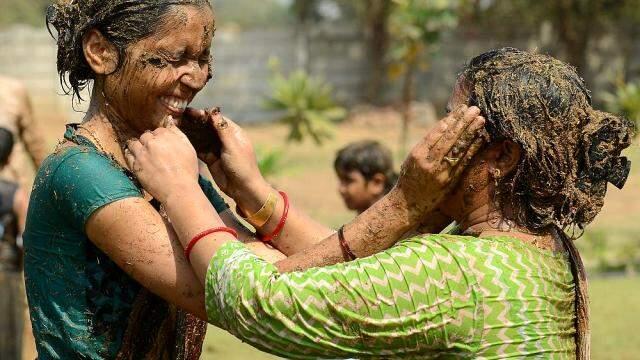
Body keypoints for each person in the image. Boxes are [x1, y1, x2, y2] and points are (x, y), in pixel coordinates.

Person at [23, 1, 479, 359]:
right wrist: (403, 206)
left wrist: (249, 190)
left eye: (202, 59)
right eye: (173, 58)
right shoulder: (80, 174)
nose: (196, 77)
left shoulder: (168, 167)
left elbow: (259, 266)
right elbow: (234, 295)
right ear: (101, 52)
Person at [126, 48, 633, 359]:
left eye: (453, 118)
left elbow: (263, 302)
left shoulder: (457, 271)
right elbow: (360, 276)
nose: (434, 134)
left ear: (500, 155)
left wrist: (181, 190)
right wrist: (253, 195)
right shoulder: (541, 249)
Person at [0, 128, 31, 360]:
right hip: (6, 278)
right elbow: (26, 240)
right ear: (9, 157)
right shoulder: (17, 195)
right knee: (8, 344)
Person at [0, 76, 48, 185]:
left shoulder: (14, 91)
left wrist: (47, 182)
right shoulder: (13, 90)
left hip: (10, 184)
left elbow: (36, 145)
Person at [334, 140, 398, 214]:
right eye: (341, 180)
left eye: (348, 180)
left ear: (376, 183)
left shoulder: (393, 221)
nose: (341, 189)